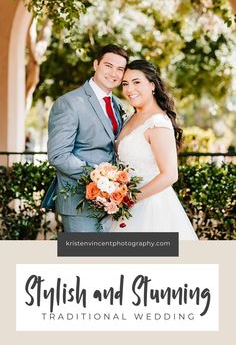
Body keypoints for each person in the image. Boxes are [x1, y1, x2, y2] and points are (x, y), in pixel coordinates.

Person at [102, 59, 198, 240]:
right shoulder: (131, 117)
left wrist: (130, 198)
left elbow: (170, 174)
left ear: (152, 85)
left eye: (137, 82)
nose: (130, 89)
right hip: (124, 203)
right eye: (125, 84)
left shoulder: (158, 123)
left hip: (152, 206)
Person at [47, 44, 129, 232]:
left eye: (120, 69)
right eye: (108, 66)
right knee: (85, 260)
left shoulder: (119, 105)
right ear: (95, 65)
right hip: (79, 203)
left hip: (113, 204)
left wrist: (115, 187)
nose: (114, 73)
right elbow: (58, 155)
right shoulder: (69, 103)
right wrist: (101, 179)